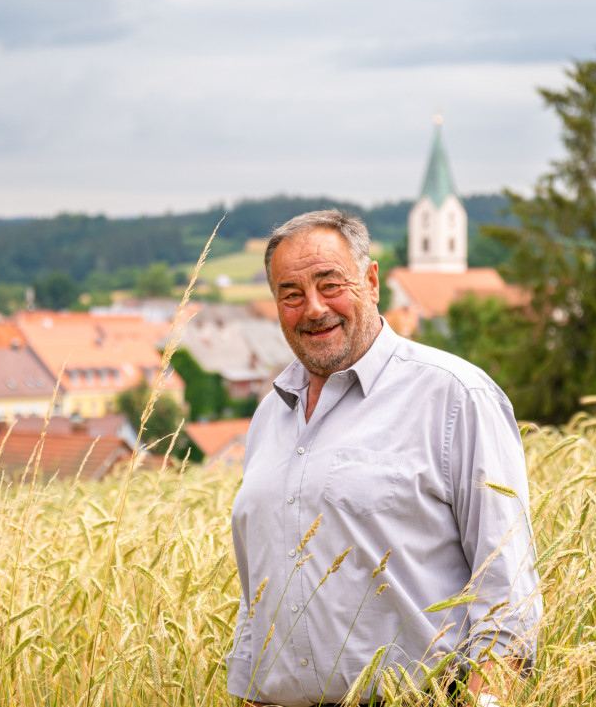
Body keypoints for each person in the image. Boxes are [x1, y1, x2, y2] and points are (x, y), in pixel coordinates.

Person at [227, 210, 542, 707]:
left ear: (371, 282)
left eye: (330, 285)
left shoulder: (455, 396)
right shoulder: (270, 415)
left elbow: (509, 600)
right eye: (291, 294)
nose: (313, 309)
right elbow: (258, 605)